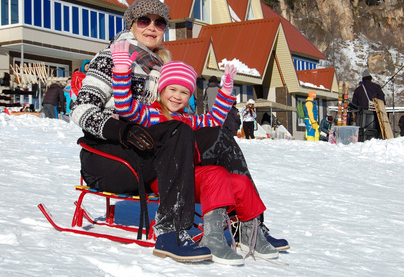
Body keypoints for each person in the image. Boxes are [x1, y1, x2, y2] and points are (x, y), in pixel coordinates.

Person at [71, 0, 211, 263]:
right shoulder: (111, 57)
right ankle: (171, 232)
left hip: (149, 155)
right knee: (176, 132)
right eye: (144, 20)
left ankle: (246, 220)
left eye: (159, 22)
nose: (152, 27)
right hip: (109, 157)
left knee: (214, 135)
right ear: (131, 24)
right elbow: (81, 109)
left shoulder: (163, 67)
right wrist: (120, 130)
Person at [110, 44, 278, 264]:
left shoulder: (188, 119)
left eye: (185, 92)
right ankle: (211, 237)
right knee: (215, 174)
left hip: (190, 176)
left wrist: (225, 91)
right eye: (172, 89)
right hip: (166, 179)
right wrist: (122, 71)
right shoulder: (149, 113)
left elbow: (214, 122)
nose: (177, 96)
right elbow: (124, 106)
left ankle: (248, 232)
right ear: (161, 89)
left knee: (239, 182)